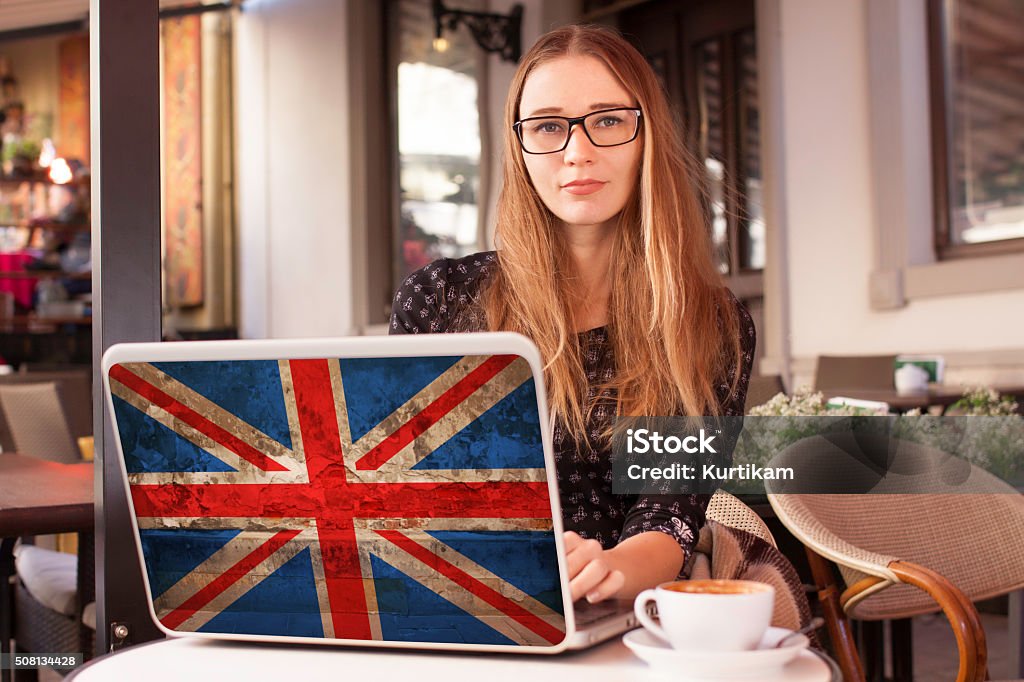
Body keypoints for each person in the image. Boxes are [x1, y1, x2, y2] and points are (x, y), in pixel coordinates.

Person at [390, 25, 755, 605]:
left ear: (647, 136)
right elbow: (404, 496)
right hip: (457, 606)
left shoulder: (711, 322)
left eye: (608, 120)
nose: (577, 151)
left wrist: (611, 569)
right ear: (521, 146)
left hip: (621, 617)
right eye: (547, 126)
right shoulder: (440, 300)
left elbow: (672, 507)